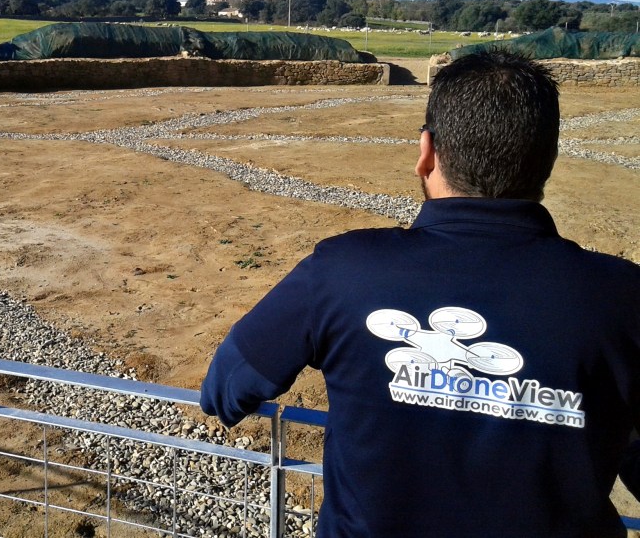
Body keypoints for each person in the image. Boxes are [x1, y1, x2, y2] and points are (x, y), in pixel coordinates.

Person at [200, 50, 640, 537]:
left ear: (426, 151)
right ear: (548, 160)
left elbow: (226, 388)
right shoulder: (623, 298)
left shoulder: (343, 271)